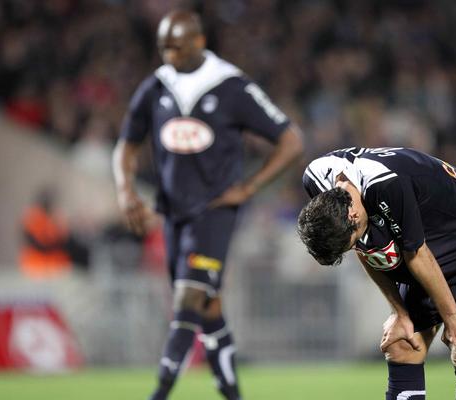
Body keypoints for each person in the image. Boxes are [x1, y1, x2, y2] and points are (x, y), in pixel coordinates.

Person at [112, 10, 303, 400]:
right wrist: (125, 189)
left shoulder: (231, 85)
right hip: (173, 214)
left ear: (199, 42)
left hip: (215, 212)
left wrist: (249, 188)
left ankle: (159, 392)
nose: (169, 55)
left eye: (176, 47)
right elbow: (126, 145)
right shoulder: (157, 86)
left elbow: (291, 140)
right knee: (208, 307)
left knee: (187, 301)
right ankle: (233, 394)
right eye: (163, 47)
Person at [297, 147, 456, 400]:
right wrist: (399, 313)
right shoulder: (317, 181)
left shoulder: (387, 184)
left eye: (352, 241)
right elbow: (366, 248)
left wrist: (453, 317)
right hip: (434, 241)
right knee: (402, 344)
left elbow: (417, 254)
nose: (355, 246)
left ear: (354, 215)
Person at [19, 186, 73, 279]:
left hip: (56, 263)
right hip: (35, 263)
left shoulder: (57, 217)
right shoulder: (33, 217)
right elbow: (31, 239)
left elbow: (64, 239)